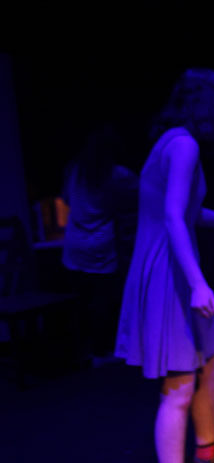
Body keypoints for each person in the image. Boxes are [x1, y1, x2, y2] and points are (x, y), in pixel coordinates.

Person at [115, 68, 214, 463]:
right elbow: (174, 219)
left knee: (213, 361)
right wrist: (197, 283)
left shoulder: (177, 143)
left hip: (177, 266)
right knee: (177, 384)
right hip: (169, 273)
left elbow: (191, 214)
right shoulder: (183, 144)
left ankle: (205, 458)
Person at [61, 122, 138, 366]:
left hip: (74, 242)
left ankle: (84, 351)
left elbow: (65, 198)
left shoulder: (74, 170)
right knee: (101, 299)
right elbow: (141, 194)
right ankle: (100, 351)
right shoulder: (116, 174)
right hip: (100, 243)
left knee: (82, 299)